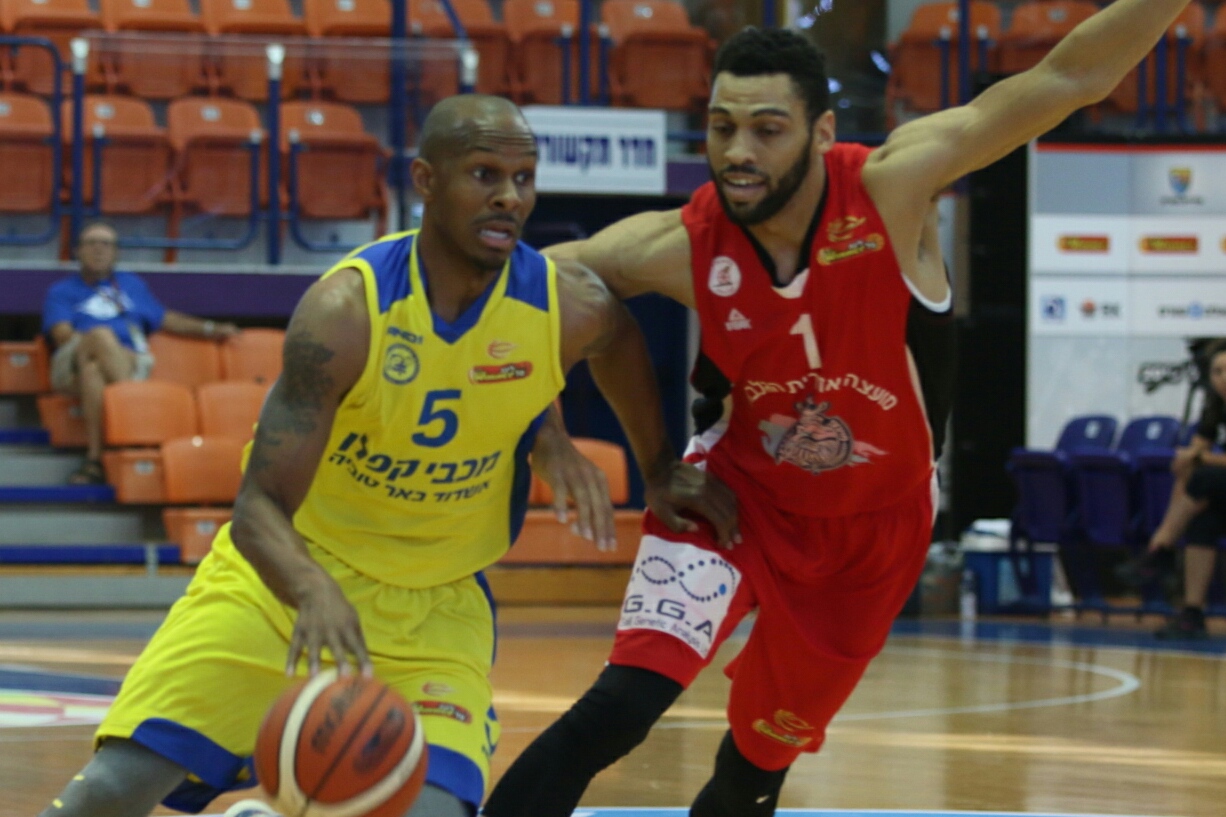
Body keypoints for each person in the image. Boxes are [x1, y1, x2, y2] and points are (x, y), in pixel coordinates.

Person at [482, 6, 1199, 817]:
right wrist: (549, 432)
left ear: (822, 132)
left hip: (873, 537)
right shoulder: (683, 245)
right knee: (617, 709)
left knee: (751, 772)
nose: (738, 151)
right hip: (736, 500)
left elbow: (1070, 76)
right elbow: (522, 289)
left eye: (767, 129)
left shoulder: (895, 189)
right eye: (721, 127)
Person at [37, 95, 733, 817]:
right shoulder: (347, 311)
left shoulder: (566, 303)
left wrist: (650, 464)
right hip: (281, 587)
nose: (509, 196)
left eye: (524, 178)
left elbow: (617, 340)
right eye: (485, 174)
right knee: (105, 796)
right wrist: (311, 589)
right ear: (426, 180)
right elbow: (257, 508)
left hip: (434, 613)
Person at [42, 221, 240, 485]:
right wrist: (103, 344)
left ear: (116, 252)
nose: (99, 249)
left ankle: (95, 460)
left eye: (106, 244)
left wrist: (210, 328)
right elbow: (62, 335)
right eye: (91, 243)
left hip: (129, 360)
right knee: (100, 337)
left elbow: (165, 318)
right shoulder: (62, 291)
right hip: (71, 363)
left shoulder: (131, 284)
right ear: (77, 251)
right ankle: (135, 412)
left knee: (93, 373)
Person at [1147, 339, 1226, 640]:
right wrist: (1187, 462)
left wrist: (1198, 458)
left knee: (1205, 476)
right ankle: (1192, 613)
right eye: (1216, 371)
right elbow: (1190, 461)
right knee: (1203, 520)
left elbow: (1201, 458)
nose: (1222, 378)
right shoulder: (1215, 407)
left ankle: (1161, 547)